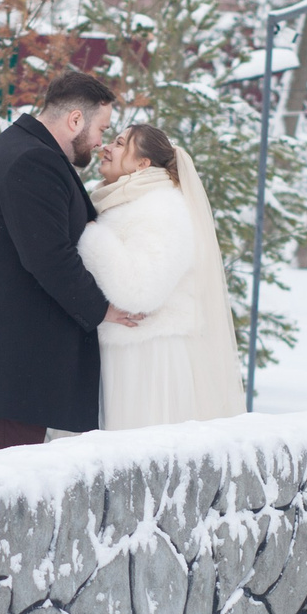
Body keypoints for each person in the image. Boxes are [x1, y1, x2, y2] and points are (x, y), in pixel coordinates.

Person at [0, 71, 143, 452]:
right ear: (75, 119)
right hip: (8, 365)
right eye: (101, 128)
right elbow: (49, 257)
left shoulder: (16, 148)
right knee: (7, 490)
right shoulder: (34, 162)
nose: (100, 142)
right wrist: (102, 308)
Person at [76, 123, 250, 428]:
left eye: (119, 143)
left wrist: (92, 237)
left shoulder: (161, 208)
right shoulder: (125, 202)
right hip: (127, 354)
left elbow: (140, 291)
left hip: (149, 361)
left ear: (143, 163)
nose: (106, 148)